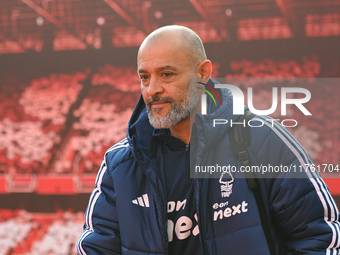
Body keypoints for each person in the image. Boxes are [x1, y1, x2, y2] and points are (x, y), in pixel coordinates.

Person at [76, 25, 340, 255]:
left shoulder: (264, 140)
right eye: (144, 77)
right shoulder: (120, 165)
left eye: (166, 74)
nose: (152, 89)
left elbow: (319, 237)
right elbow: (96, 249)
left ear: (202, 72)